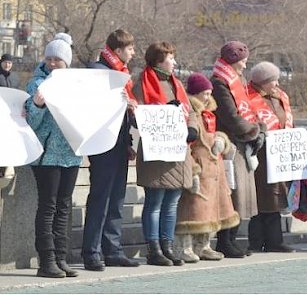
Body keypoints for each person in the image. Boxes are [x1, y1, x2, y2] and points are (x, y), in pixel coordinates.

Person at [133, 41, 198, 267]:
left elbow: (190, 111)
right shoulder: (143, 83)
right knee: (155, 201)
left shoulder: (176, 83)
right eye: (171, 58)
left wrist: (192, 129)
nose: (174, 62)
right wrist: (163, 111)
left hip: (177, 151)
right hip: (156, 152)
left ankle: (167, 246)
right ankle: (154, 249)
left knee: (172, 202)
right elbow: (137, 114)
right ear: (159, 60)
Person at [81, 29, 139, 271]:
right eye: (130, 49)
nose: (134, 53)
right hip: (103, 145)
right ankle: (91, 252)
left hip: (118, 144)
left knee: (116, 198)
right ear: (117, 51)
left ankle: (112, 249)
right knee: (100, 198)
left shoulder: (121, 74)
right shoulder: (99, 72)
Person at [25, 33, 82, 278]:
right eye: (48, 58)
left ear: (66, 62)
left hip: (71, 154)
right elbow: (31, 123)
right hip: (47, 156)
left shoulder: (78, 84)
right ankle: (46, 261)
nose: (51, 63)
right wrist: (36, 106)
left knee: (64, 207)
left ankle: (61, 257)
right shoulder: (37, 84)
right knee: (48, 207)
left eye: (57, 59)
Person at [175, 73, 240, 262]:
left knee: (211, 209)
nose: (207, 97)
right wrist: (192, 170)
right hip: (200, 167)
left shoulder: (209, 113)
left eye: (209, 93)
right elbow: (188, 145)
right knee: (192, 210)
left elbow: (213, 134)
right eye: (204, 93)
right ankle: (185, 246)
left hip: (214, 169)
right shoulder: (190, 113)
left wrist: (221, 139)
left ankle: (203, 245)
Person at [211, 40, 265, 258]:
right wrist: (252, 132)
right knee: (231, 194)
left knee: (241, 195)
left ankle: (233, 239)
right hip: (229, 143)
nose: (244, 65)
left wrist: (259, 129)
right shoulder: (220, 82)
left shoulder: (237, 79)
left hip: (242, 142)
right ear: (232, 60)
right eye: (242, 61)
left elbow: (249, 108)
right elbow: (230, 116)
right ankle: (225, 241)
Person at [246, 62, 295, 253]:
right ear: (262, 82)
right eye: (273, 80)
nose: (277, 83)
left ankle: (275, 240)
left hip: (277, 154)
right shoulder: (249, 97)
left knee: (275, 197)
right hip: (259, 153)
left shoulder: (279, 96)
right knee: (260, 197)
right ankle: (256, 241)